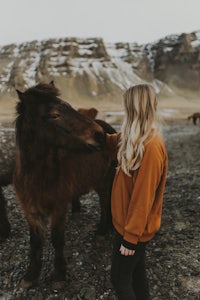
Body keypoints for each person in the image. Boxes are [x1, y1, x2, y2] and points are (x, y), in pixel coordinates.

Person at [106, 84, 168, 300]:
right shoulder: (137, 138)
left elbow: (144, 198)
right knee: (136, 275)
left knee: (119, 278)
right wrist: (96, 134)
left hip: (133, 230)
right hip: (127, 225)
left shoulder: (151, 147)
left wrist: (130, 238)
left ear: (133, 108)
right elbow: (117, 141)